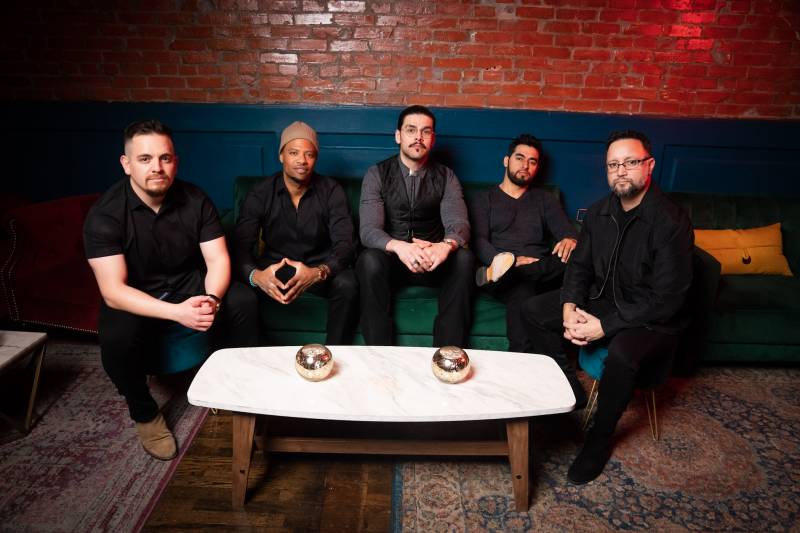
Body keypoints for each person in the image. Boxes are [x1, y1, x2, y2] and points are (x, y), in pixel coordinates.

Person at [522, 130, 694, 484]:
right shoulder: (599, 211)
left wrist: (604, 326)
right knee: (533, 311)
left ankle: (599, 439)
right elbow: (579, 267)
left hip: (653, 319)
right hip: (603, 302)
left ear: (649, 165)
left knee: (622, 356)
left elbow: (668, 299)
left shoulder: (671, 220)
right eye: (613, 165)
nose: (620, 171)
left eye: (630, 162)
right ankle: (568, 390)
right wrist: (569, 306)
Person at [84, 119, 258, 461]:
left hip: (188, 285)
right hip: (137, 296)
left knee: (243, 301)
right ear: (127, 164)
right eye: (145, 159)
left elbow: (218, 260)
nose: (157, 167)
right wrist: (177, 313)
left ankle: (233, 383)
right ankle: (145, 413)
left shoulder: (195, 199)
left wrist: (212, 299)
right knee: (116, 335)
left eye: (164, 158)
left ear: (175, 161)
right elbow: (113, 291)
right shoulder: (105, 215)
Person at [357, 105, 474, 346]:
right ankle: (379, 353)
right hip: (392, 263)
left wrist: (444, 246)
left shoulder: (447, 176)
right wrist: (400, 247)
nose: (418, 137)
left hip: (433, 261)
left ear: (433, 139)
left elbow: (459, 223)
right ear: (398, 136)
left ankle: (447, 352)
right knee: (369, 259)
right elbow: (369, 230)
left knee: (464, 258)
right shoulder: (376, 173)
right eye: (411, 130)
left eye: (425, 131)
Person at [232, 121, 358, 344]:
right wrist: (256, 276)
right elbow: (240, 247)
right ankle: (255, 358)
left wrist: (319, 272)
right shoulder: (261, 192)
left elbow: (346, 244)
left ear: (315, 159)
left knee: (347, 284)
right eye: (294, 153)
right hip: (275, 269)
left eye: (309, 154)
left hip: (318, 269)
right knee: (239, 293)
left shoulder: (331, 191)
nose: (302, 160)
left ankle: (332, 353)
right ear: (281, 156)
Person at [470, 133, 578, 353]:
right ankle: (522, 359)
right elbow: (478, 240)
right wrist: (509, 261)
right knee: (522, 289)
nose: (525, 165)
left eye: (532, 161)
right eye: (519, 158)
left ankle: (516, 271)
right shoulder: (484, 198)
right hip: (501, 273)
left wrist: (570, 239)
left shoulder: (544, 200)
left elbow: (566, 231)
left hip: (540, 271)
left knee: (575, 258)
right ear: (506, 160)